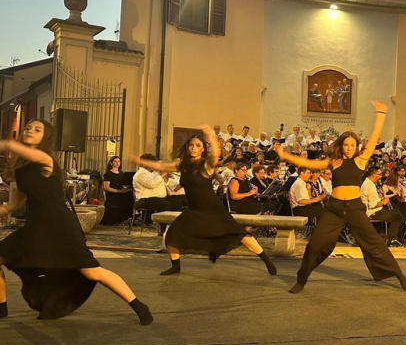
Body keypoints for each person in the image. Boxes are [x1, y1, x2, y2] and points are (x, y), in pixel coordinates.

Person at [0, 119, 152, 324]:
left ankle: (140, 306)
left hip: (59, 225)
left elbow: (20, 150)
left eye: (37, 130)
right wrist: (4, 209)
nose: (30, 131)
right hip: (35, 226)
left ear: (46, 137)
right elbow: (16, 202)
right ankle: (1, 308)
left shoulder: (45, 159)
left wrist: (7, 144)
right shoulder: (21, 167)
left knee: (92, 271)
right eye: (28, 128)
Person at [275, 101, 406, 293]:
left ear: (356, 147)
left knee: (374, 243)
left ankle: (398, 274)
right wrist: (285, 155)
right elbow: (308, 163)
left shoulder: (361, 160)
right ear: (341, 145)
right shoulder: (333, 162)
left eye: (352, 145)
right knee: (315, 244)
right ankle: (301, 280)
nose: (349, 148)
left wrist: (380, 113)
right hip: (335, 209)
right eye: (346, 144)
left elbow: (374, 138)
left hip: (355, 208)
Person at [129, 125, 276, 276]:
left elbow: (216, 154)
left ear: (203, 149)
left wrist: (210, 135)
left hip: (213, 209)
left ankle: (267, 261)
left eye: (197, 145)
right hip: (194, 210)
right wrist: (139, 161)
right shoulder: (182, 165)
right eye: (191, 145)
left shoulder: (206, 164)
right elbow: (161, 166)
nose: (193, 148)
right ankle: (176, 266)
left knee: (240, 235)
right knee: (171, 236)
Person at [360, 166, 404, 245]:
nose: (380, 177)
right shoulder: (370, 186)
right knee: (398, 216)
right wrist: (384, 202)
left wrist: (379, 197)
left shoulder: (367, 182)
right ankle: (391, 238)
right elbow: (373, 205)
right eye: (379, 174)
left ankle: (391, 237)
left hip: (372, 210)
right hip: (373, 213)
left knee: (396, 211)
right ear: (373, 175)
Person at [101, 155, 133, 225]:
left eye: (119, 161)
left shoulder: (122, 173)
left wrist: (125, 188)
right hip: (113, 195)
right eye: (115, 161)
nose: (117, 163)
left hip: (121, 193)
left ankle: (128, 217)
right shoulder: (108, 174)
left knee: (130, 195)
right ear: (111, 163)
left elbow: (122, 184)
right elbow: (106, 187)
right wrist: (119, 191)